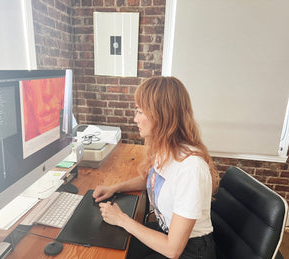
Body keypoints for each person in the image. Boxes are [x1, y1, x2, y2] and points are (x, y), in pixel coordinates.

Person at [93, 76, 219, 259]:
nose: (135, 119)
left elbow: (173, 250)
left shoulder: (190, 168)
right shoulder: (167, 149)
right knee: (108, 244)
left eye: (140, 112)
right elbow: (151, 179)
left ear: (162, 116)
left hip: (190, 250)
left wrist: (122, 219)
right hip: (167, 233)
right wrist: (114, 188)